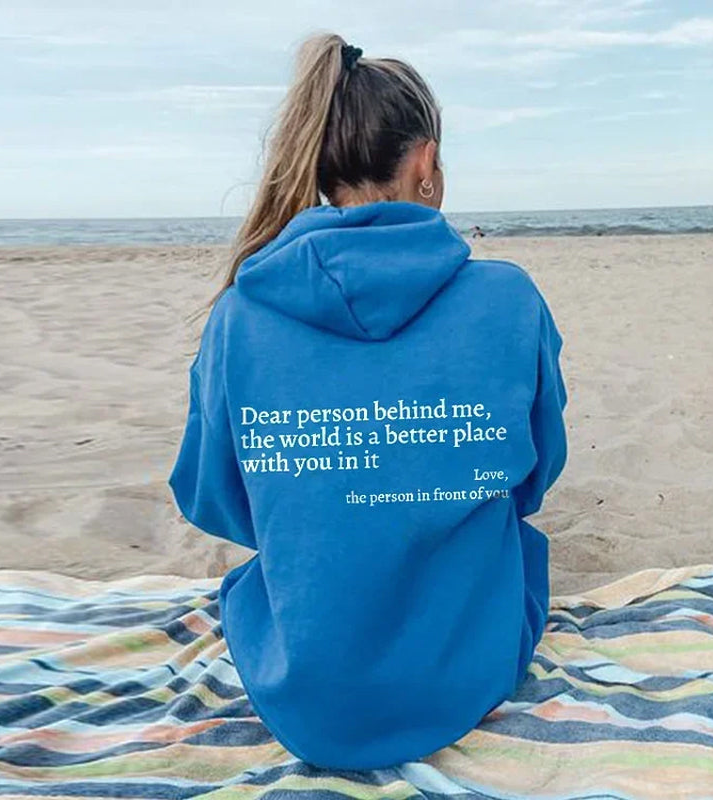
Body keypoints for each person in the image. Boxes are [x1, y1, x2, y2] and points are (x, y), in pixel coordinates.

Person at [168, 31, 568, 771]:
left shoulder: (241, 315)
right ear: (427, 162)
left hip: (303, 687)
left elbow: (212, 500)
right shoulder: (507, 298)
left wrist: (330, 501)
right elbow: (534, 479)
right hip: (470, 669)